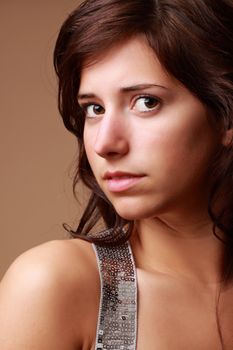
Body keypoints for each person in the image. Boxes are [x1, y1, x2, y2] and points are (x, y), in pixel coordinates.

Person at [1, 0, 233, 349]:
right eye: (94, 109)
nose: (105, 144)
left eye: (146, 102)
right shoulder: (55, 285)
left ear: (226, 117)